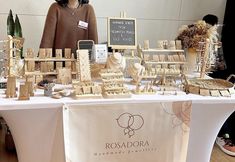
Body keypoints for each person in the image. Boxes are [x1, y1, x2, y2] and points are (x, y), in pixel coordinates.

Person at [203, 14, 235, 156]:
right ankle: (223, 135)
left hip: (214, 78)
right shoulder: (201, 39)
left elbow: (220, 65)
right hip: (211, 77)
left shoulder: (216, 42)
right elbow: (221, 65)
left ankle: (224, 135)